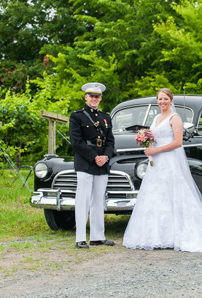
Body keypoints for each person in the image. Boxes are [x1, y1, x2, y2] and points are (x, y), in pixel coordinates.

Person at [122, 88, 202, 252]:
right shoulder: (156, 117)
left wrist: (156, 150)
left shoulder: (174, 118)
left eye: (165, 99)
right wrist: (147, 143)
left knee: (172, 194)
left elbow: (178, 143)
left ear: (171, 100)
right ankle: (157, 236)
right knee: (156, 196)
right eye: (160, 99)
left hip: (168, 160)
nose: (162, 102)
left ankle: (177, 234)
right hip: (156, 162)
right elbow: (155, 137)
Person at [68, 82, 116, 249]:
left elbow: (110, 141)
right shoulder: (77, 116)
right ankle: (80, 237)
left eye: (97, 96)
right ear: (86, 97)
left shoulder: (106, 117)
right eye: (92, 96)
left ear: (100, 98)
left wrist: (106, 157)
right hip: (85, 162)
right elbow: (76, 142)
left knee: (98, 200)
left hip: (102, 163)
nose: (94, 99)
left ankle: (97, 236)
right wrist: (94, 157)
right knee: (83, 200)